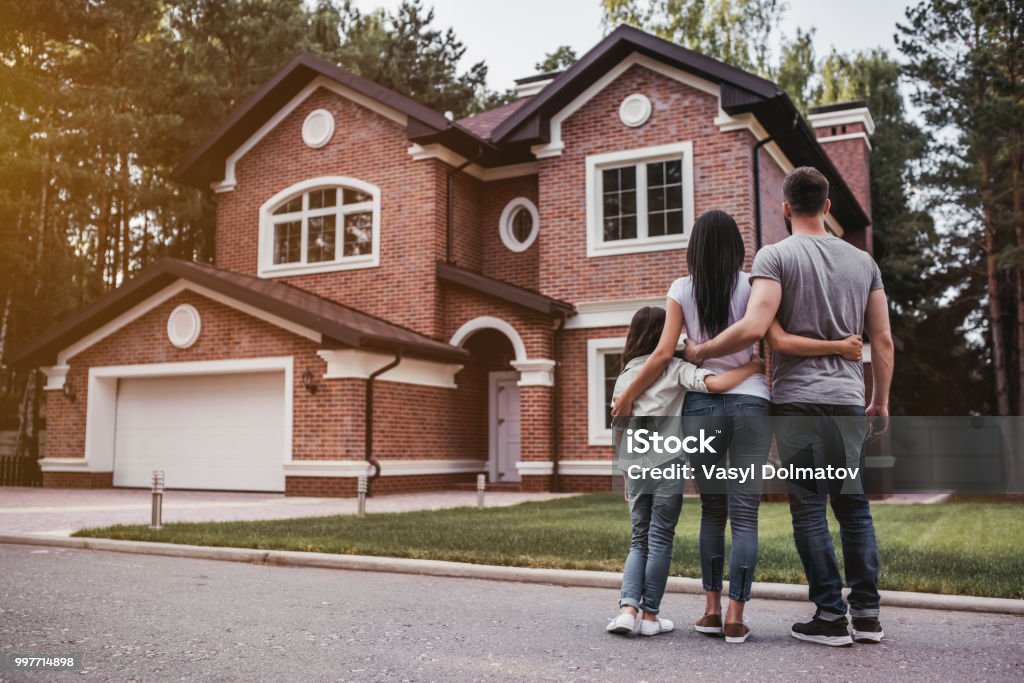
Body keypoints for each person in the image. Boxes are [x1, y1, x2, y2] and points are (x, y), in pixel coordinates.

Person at [611, 210, 862, 644]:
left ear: (694, 247)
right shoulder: (754, 285)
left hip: (701, 408)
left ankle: (709, 611)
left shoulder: (681, 289)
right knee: (745, 517)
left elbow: (661, 355)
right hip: (750, 403)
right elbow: (773, 336)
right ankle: (734, 617)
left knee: (712, 510)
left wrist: (630, 395)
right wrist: (756, 363)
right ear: (737, 248)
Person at [684, 167, 895, 647]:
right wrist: (880, 399)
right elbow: (881, 338)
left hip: (799, 403)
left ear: (784, 209)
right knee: (854, 507)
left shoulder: (775, 257)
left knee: (809, 512)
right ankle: (867, 614)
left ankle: (829, 616)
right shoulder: (864, 263)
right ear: (826, 206)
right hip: (846, 402)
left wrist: (702, 350)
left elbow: (757, 327)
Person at [606, 305, 764, 637]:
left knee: (639, 539)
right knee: (660, 538)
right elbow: (717, 384)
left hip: (635, 468)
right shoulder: (677, 369)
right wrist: (752, 366)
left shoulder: (624, 376)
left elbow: (619, 429)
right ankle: (650, 617)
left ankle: (626, 610)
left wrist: (623, 473)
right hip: (667, 465)